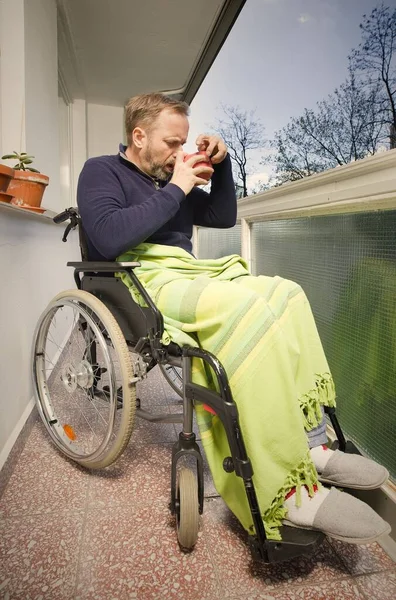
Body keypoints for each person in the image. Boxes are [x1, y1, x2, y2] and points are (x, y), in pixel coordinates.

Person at [77, 93, 391, 544]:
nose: (179, 152)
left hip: (190, 272)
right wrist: (178, 187)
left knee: (287, 294)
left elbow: (223, 216)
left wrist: (220, 167)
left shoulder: (170, 177)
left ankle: (313, 442)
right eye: (171, 141)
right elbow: (108, 237)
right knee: (245, 311)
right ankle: (290, 492)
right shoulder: (102, 171)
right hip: (143, 279)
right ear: (138, 135)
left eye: (184, 142)